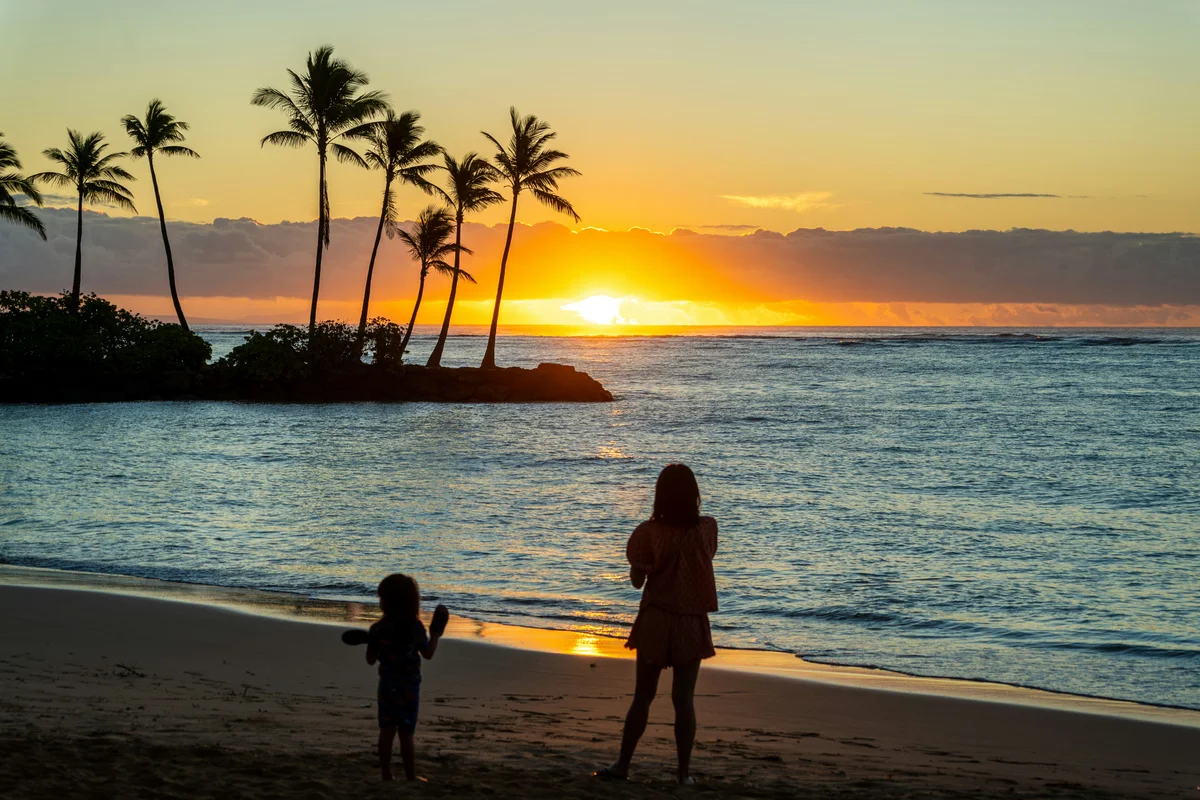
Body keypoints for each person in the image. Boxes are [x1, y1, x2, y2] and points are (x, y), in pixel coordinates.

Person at [596, 463, 719, 785]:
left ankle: (622, 765)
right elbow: (707, 558)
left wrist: (644, 564)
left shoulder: (648, 532)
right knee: (684, 699)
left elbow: (637, 582)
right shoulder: (707, 528)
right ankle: (682, 775)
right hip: (691, 619)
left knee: (643, 695)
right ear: (694, 495)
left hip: (656, 617)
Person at [366, 573, 447, 781]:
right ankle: (410, 776)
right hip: (409, 687)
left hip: (386, 686)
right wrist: (436, 634)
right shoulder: (415, 628)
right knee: (406, 733)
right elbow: (428, 654)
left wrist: (372, 643)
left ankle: (386, 774)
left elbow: (370, 660)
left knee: (386, 731)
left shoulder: (377, 629)